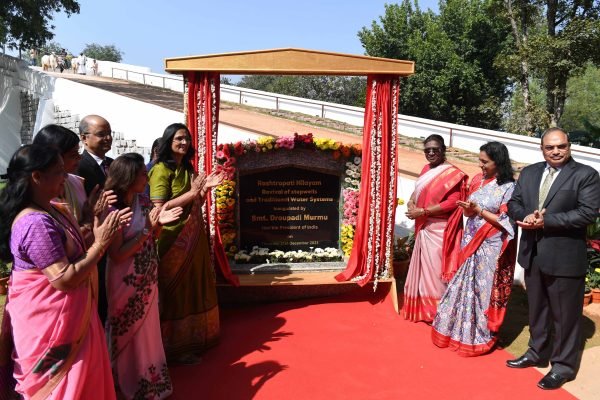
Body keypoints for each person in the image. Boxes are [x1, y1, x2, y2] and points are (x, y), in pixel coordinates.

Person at [0, 144, 130, 399]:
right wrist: (101, 243)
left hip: (74, 319)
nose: (66, 176)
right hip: (53, 328)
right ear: (37, 176)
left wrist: (91, 217)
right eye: (59, 171)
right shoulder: (34, 223)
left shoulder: (52, 208)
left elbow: (73, 248)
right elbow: (64, 278)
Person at [507, 128, 600, 390]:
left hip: (564, 257)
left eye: (561, 146)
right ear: (542, 149)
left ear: (570, 146)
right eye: (550, 147)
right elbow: (514, 203)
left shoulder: (586, 175)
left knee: (565, 316)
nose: (556, 151)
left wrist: (546, 221)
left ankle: (563, 366)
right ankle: (536, 352)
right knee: (537, 309)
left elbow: (587, 213)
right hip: (533, 254)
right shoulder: (529, 173)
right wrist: (525, 216)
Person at [104, 153, 182, 399]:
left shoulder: (143, 200)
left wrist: (157, 226)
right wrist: (148, 229)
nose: (146, 178)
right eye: (142, 174)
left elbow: (153, 237)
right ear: (128, 177)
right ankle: (125, 382)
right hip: (124, 279)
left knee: (149, 330)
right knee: (126, 329)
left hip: (148, 274)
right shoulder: (113, 209)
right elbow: (117, 254)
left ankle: (150, 382)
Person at [148, 123, 224, 364]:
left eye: (187, 139)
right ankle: (173, 348)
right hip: (171, 239)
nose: (184, 142)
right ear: (168, 141)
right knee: (175, 291)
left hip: (192, 236)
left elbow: (195, 203)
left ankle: (195, 337)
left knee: (192, 286)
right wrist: (192, 193)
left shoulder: (187, 167)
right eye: (179, 138)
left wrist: (204, 191)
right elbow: (158, 210)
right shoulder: (161, 170)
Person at [432, 141, 517, 356]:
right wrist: (469, 210)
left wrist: (479, 211)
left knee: (481, 290)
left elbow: (506, 221)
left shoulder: (508, 187)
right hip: (469, 240)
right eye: (480, 160)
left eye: (485, 162)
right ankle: (454, 331)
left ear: (498, 162)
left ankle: (479, 335)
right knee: (461, 286)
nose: (480, 165)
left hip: (491, 244)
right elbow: (468, 212)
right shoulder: (478, 180)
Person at [403, 134, 468, 322]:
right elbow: (418, 191)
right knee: (423, 270)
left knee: (436, 271)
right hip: (424, 226)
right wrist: (411, 202)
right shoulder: (426, 169)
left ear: (443, 150)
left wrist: (424, 211)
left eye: (435, 149)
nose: (431, 153)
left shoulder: (452, 173)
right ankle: (421, 309)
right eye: (427, 150)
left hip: (440, 229)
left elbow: (454, 201)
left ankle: (439, 313)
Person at [76, 114, 114, 324]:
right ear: (84, 138)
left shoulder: (113, 164)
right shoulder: (78, 169)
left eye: (109, 133)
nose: (107, 138)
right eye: (101, 134)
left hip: (117, 240)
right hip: (92, 241)